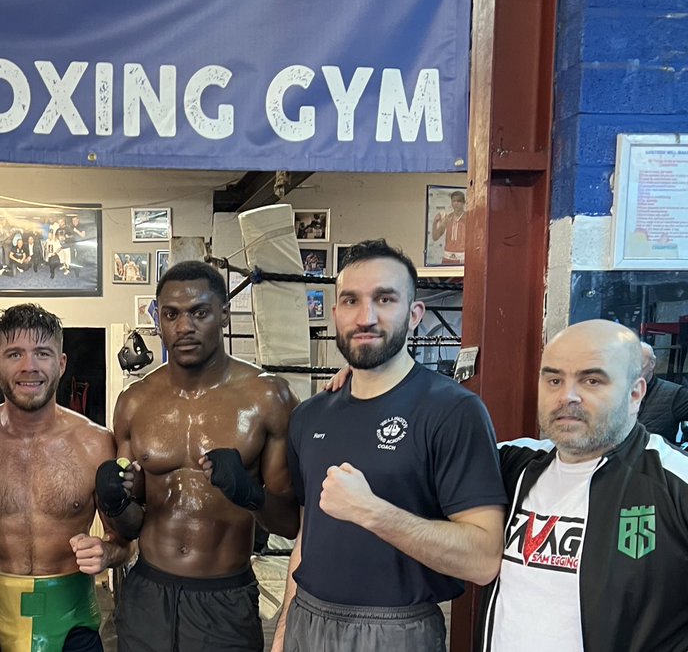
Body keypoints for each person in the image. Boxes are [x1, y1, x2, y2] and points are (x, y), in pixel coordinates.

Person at [273, 239, 506, 652]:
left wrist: (373, 512)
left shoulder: (454, 411)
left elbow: (484, 559)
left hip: (397, 631)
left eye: (384, 299)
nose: (366, 317)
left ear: (415, 314)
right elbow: (308, 538)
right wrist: (282, 634)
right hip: (307, 622)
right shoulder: (310, 416)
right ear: (334, 314)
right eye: (351, 301)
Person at [98, 260, 299, 652]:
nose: (184, 327)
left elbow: (290, 524)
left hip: (223, 599)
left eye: (199, 313)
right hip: (147, 594)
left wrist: (250, 494)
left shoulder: (267, 398)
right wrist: (114, 500)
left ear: (223, 314)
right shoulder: (134, 402)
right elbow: (128, 528)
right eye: (171, 314)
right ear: (158, 320)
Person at [479, 320, 688, 651]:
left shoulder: (676, 482)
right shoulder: (511, 463)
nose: (567, 396)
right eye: (553, 379)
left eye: (592, 380)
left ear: (635, 394)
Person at [0, 304, 130, 652]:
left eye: (42, 353)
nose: (30, 367)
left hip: (73, 622)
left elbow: (126, 542)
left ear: (61, 363)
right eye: (14, 354)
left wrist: (106, 552)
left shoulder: (95, 443)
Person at [636, 341, 688, 444]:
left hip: (657, 458)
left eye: (639, 362)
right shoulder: (613, 392)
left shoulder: (675, 394)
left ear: (652, 364)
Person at [430, 190, 467, 264]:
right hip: (447, 257)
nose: (456, 203)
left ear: (464, 202)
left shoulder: (469, 217)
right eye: (454, 201)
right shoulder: (447, 218)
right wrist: (435, 222)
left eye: (459, 201)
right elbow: (435, 237)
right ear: (451, 203)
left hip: (462, 257)